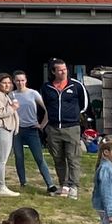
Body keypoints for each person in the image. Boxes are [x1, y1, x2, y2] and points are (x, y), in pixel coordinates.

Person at [37, 60, 89, 198]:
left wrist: (73, 115)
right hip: (53, 128)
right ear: (53, 72)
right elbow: (44, 106)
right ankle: (63, 185)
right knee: (58, 158)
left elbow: (84, 105)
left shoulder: (77, 86)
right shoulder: (46, 87)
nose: (63, 72)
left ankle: (73, 186)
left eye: (65, 69)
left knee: (73, 158)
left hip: (71, 127)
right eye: (59, 70)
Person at [10, 71, 56, 195]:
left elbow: (47, 109)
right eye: (17, 80)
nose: (20, 83)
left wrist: (42, 125)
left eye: (22, 80)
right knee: (19, 157)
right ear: (14, 81)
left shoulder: (33, 93)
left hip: (32, 129)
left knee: (39, 158)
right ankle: (23, 182)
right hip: (17, 130)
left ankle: (50, 184)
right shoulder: (11, 95)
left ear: (26, 81)